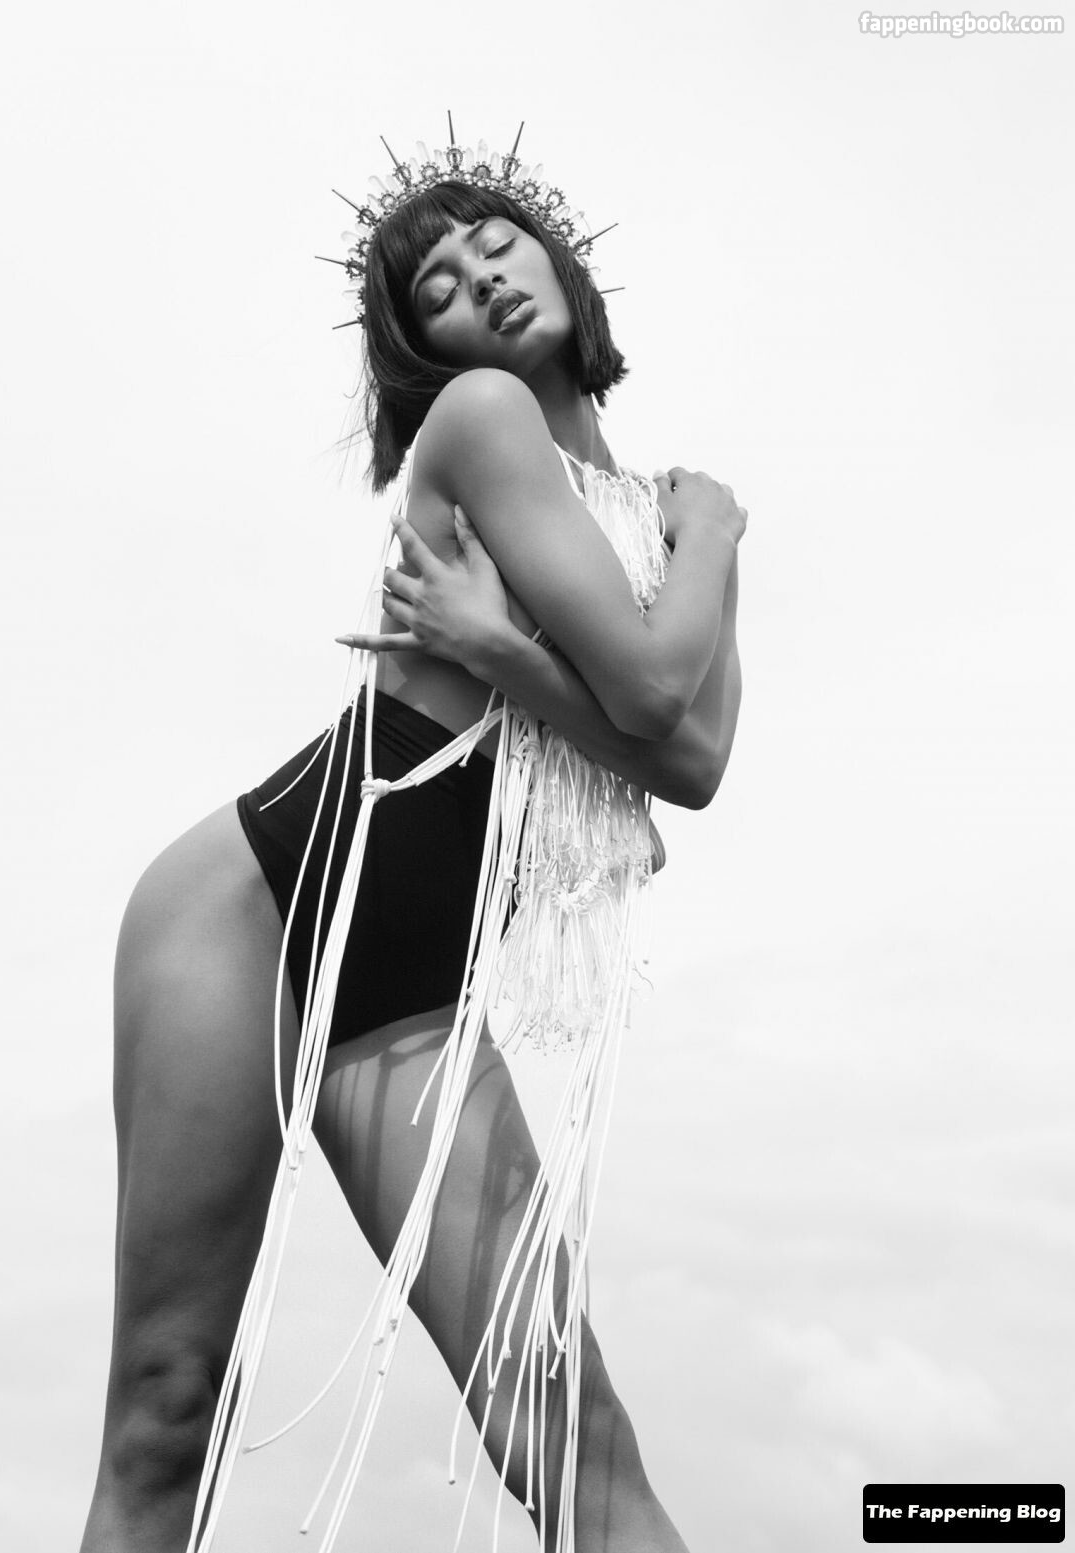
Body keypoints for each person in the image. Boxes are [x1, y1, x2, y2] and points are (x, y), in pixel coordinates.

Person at [79, 130, 744, 1553]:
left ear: (557, 256)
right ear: (424, 355)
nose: (479, 280)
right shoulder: (484, 421)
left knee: (566, 1427)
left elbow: (691, 761)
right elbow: (646, 692)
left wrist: (532, 630)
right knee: (166, 1404)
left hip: (419, 973)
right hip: (253, 912)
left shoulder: (665, 519)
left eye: (494, 242)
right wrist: (707, 549)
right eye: (435, 288)